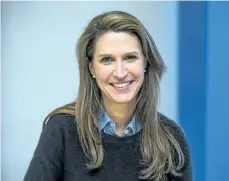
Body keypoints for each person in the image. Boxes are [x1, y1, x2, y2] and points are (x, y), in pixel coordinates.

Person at [24, 11, 192, 181]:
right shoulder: (61, 129)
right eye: (107, 60)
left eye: (130, 58)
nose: (120, 73)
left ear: (146, 63)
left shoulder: (171, 137)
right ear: (91, 68)